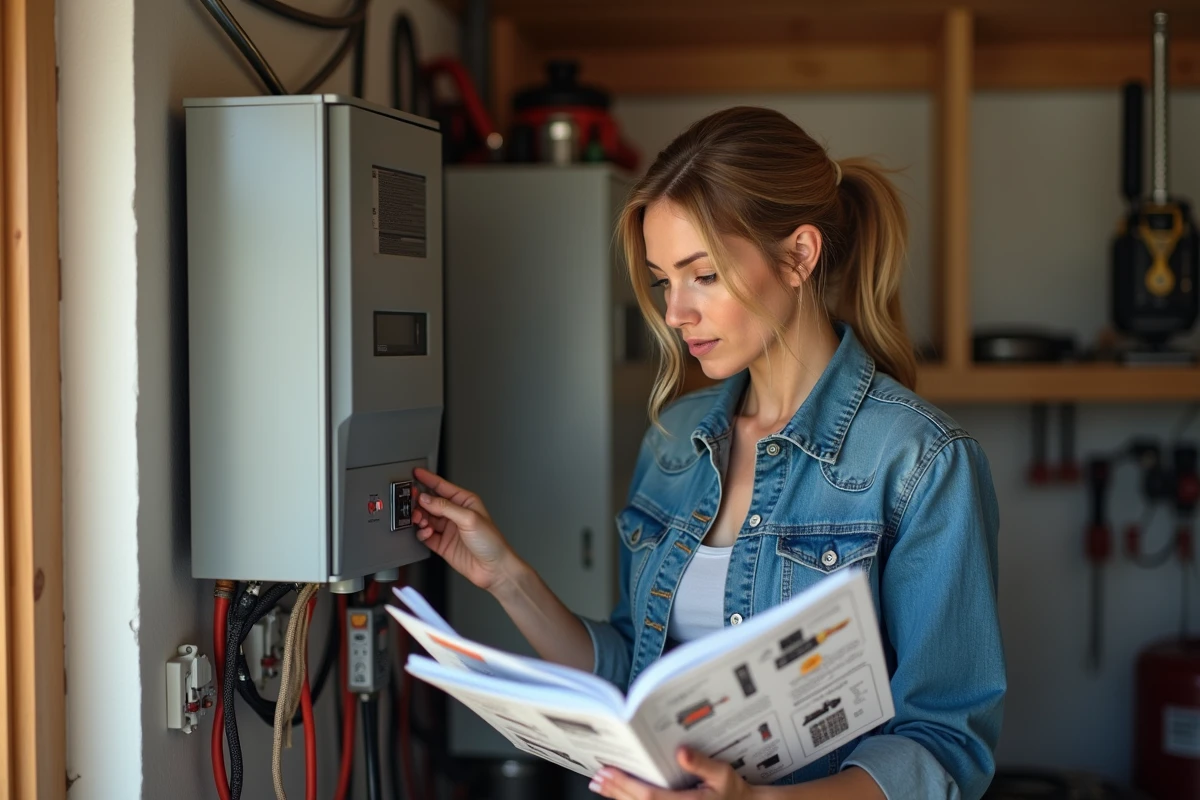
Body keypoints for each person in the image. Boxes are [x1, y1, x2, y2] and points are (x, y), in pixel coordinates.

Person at [411, 105, 1005, 800]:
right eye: (664, 280)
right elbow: (637, 681)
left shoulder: (922, 462)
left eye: (704, 275)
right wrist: (504, 577)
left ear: (799, 255)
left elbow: (945, 748)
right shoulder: (674, 441)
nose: (674, 313)